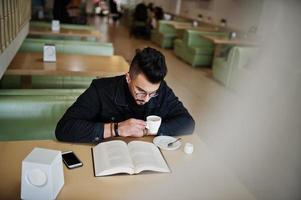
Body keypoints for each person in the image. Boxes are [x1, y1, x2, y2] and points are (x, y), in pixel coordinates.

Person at [55, 47, 195, 143]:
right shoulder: (101, 90)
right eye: (140, 91)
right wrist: (116, 128)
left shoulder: (162, 90)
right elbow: (64, 128)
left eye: (152, 93)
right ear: (128, 78)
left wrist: (147, 131)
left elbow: (188, 123)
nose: (146, 99)